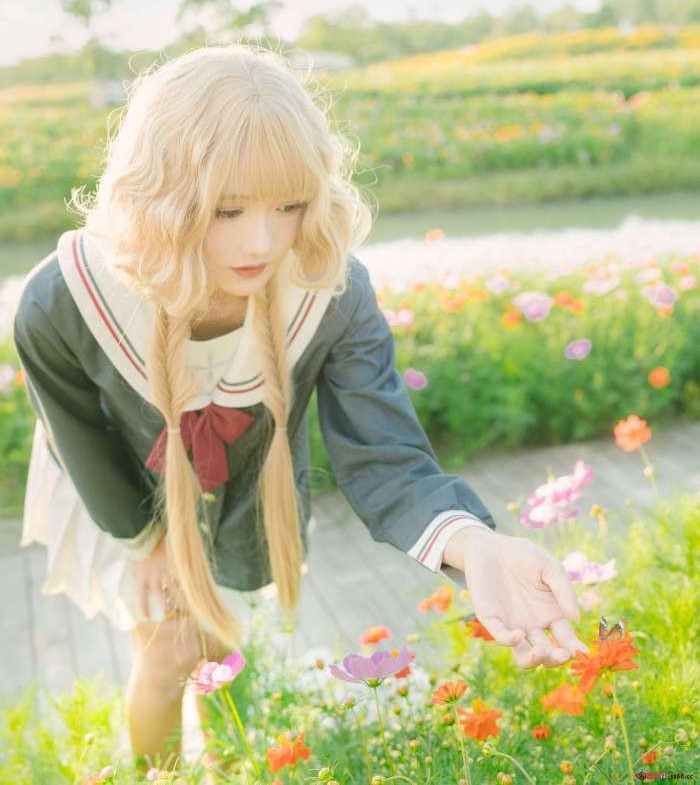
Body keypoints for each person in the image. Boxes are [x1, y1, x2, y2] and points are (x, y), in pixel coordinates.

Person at [13, 43, 589, 771]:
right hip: (122, 486)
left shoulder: (330, 288)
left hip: (250, 486)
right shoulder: (64, 299)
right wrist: (144, 540)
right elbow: (77, 433)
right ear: (160, 196)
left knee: (222, 650)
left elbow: (386, 458)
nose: (262, 240)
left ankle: (231, 771)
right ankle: (155, 777)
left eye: (289, 205)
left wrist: (478, 547)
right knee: (167, 652)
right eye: (227, 209)